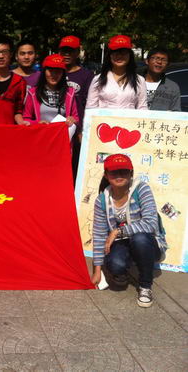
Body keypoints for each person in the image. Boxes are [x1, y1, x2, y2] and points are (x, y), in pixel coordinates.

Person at [91, 154, 167, 307]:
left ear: (131, 173)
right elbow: (99, 235)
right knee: (115, 265)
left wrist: (117, 232)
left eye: (124, 171)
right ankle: (126, 267)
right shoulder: (102, 200)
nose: (119, 175)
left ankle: (145, 286)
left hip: (148, 243)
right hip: (123, 244)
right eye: (114, 172)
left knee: (139, 239)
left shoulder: (142, 189)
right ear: (106, 175)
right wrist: (97, 270)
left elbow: (150, 224)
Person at [86, 35, 147, 109]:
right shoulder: (98, 79)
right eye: (115, 52)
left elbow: (142, 108)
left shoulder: (140, 80)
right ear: (110, 55)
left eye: (123, 52)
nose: (119, 56)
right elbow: (91, 107)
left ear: (130, 55)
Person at [22, 54, 78, 128]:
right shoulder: (33, 93)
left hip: (61, 134)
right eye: (50, 71)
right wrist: (37, 123)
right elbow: (26, 119)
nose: (54, 75)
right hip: (41, 133)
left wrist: (72, 119)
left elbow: (76, 117)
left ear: (63, 74)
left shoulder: (69, 93)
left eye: (58, 71)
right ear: (44, 71)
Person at [58, 35, 94, 127]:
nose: (67, 54)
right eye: (64, 51)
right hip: (56, 125)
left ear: (77, 52)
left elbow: (90, 104)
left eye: (70, 51)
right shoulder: (52, 74)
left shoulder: (87, 75)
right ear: (59, 52)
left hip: (78, 125)